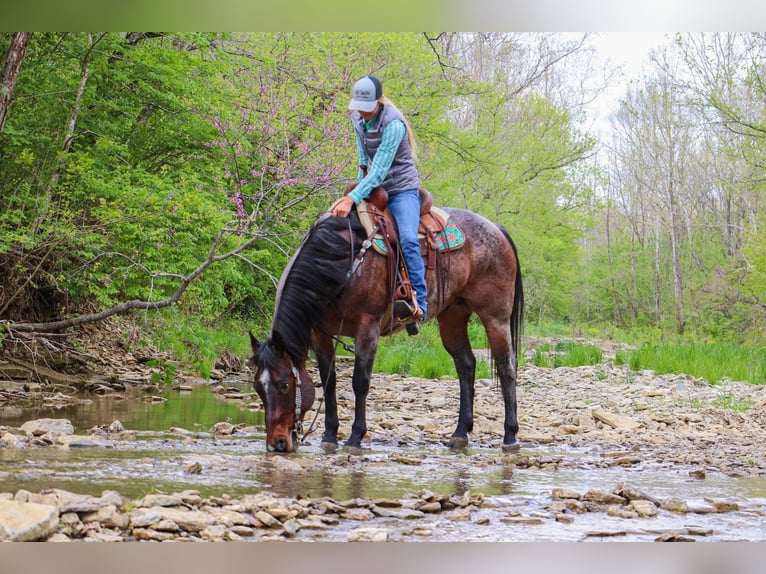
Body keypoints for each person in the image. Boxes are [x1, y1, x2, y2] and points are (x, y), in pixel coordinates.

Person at [331, 75, 427, 331]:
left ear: (378, 102)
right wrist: (358, 190)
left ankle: (420, 303)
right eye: (358, 107)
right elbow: (364, 159)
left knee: (407, 238)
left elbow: (380, 169)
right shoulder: (357, 119)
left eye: (366, 107)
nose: (361, 112)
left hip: (401, 190)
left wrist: (351, 197)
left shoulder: (394, 124)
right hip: (374, 187)